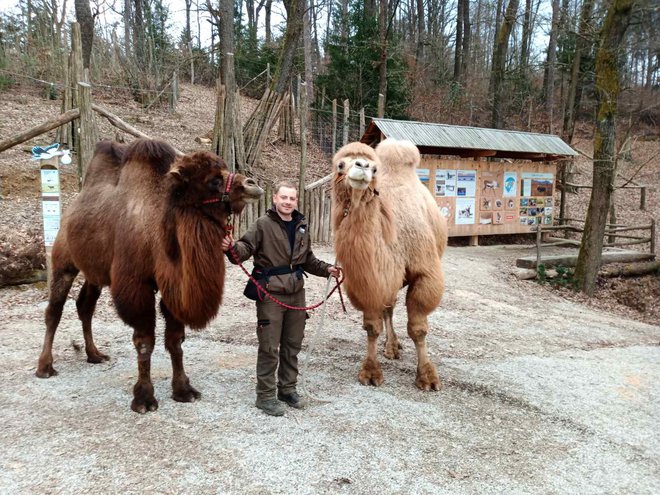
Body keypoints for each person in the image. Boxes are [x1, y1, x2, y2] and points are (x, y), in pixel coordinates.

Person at [221, 180, 340, 416]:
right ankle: (265, 396)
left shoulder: (301, 225)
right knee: (269, 347)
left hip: (297, 294)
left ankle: (287, 389)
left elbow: (307, 259)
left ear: (296, 201)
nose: (287, 202)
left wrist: (327, 269)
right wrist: (230, 247)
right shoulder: (262, 224)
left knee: (292, 345)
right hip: (270, 294)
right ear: (274, 198)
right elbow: (243, 249)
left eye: (292, 198)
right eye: (283, 197)